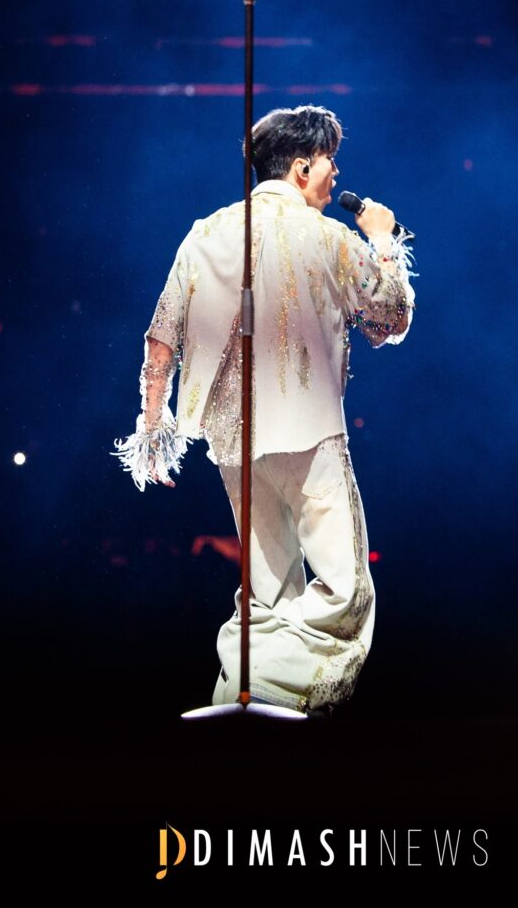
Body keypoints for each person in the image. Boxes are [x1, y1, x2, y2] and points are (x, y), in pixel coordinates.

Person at [114, 105, 415, 714]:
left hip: (234, 441)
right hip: (311, 436)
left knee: (266, 594)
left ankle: (241, 694)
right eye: (329, 161)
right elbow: (391, 316)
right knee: (346, 595)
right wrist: (383, 240)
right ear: (302, 167)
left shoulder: (207, 232)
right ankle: (278, 691)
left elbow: (161, 337)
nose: (336, 174)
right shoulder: (330, 237)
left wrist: (153, 427)